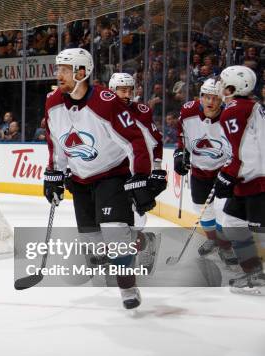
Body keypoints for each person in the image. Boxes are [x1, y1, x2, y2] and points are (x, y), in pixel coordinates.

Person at [44, 48, 155, 310]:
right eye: (58, 67)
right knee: (94, 246)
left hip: (111, 176)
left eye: (64, 69)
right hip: (80, 180)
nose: (58, 73)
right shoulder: (53, 102)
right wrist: (54, 174)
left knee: (115, 236)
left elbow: (135, 141)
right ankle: (133, 248)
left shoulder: (106, 102)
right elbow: (56, 143)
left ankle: (127, 286)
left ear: (81, 73)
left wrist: (141, 178)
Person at [174, 78, 236, 266]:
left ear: (222, 99)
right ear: (200, 97)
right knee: (203, 210)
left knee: (224, 214)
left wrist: (230, 170)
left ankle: (225, 246)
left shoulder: (231, 116)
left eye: (215, 98)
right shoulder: (187, 111)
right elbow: (181, 136)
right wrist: (180, 154)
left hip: (225, 172)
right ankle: (213, 240)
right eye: (206, 97)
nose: (210, 102)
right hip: (199, 170)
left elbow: (240, 146)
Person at [214, 65, 264, 294]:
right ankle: (254, 273)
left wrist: (229, 174)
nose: (220, 85)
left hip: (256, 180)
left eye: (224, 82)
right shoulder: (249, 106)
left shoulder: (235, 110)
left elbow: (242, 150)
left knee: (260, 231)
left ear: (234, 86)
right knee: (232, 224)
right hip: (247, 180)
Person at [109, 72, 166, 272]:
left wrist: (157, 168)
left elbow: (156, 140)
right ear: (111, 91)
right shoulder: (101, 111)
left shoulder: (141, 111)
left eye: (129, 90)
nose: (126, 94)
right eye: (121, 90)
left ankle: (144, 243)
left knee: (135, 217)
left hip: (135, 171)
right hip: (110, 171)